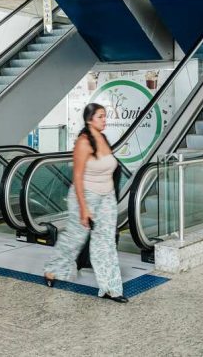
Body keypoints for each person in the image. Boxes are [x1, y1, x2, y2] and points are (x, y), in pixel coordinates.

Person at [43, 103, 127, 303]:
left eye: (105, 116)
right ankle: (52, 270)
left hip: (106, 196)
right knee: (75, 238)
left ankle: (111, 288)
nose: (104, 120)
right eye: (100, 117)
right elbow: (78, 177)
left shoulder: (103, 138)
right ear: (89, 119)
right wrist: (83, 209)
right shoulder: (83, 142)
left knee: (105, 243)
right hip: (85, 196)